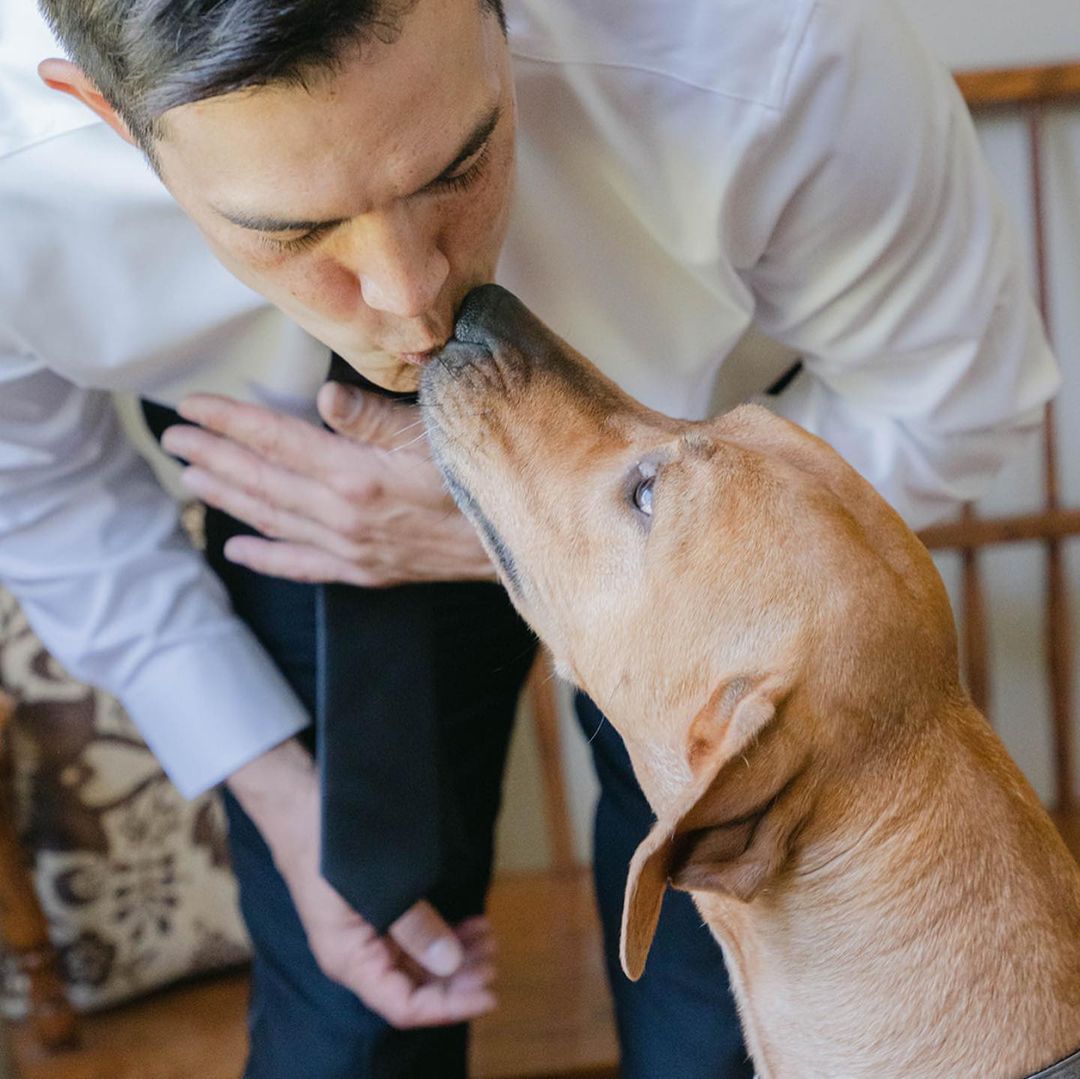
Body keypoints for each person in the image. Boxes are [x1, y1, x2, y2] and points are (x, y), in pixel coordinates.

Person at [0, 0, 1058, 1076]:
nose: (414, 308)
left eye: (457, 166)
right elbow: (47, 497)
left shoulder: (778, 40)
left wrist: (594, 548)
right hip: (311, 510)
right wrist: (274, 793)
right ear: (108, 120)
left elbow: (951, 397)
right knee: (347, 1024)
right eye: (295, 230)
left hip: (700, 524)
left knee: (715, 1032)